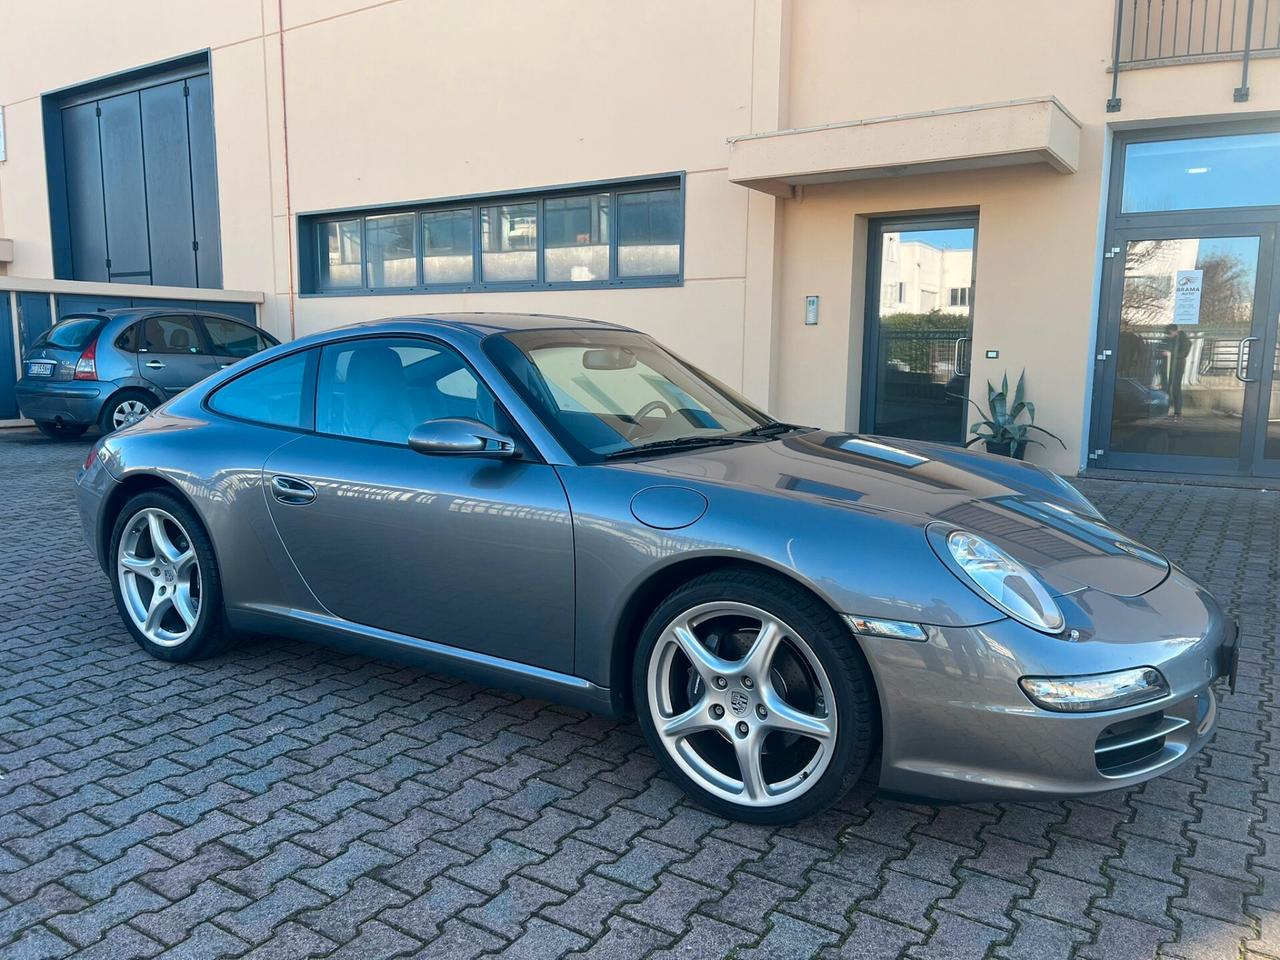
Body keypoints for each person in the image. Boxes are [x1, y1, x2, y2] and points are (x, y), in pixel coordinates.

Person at [1161, 324, 1192, 420]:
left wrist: (1170, 354)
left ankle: (1178, 412)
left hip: (1178, 366)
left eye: (1170, 333)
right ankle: (1165, 411)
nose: (1169, 335)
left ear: (1174, 331)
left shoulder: (1183, 339)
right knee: (1166, 387)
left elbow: (1184, 353)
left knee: (1175, 387)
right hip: (1169, 365)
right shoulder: (1170, 339)